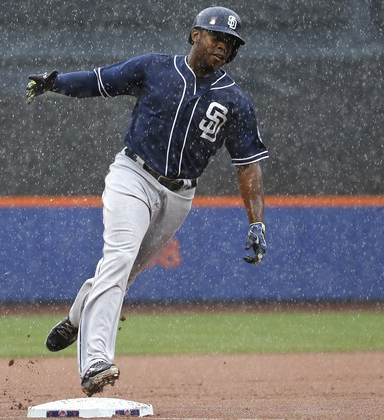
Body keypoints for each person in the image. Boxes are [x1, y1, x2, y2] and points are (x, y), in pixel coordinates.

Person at [26, 6, 268, 396]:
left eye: (230, 43)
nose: (222, 47)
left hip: (180, 196)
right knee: (119, 258)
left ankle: (76, 317)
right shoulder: (155, 68)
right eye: (215, 37)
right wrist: (56, 82)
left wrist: (256, 220)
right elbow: (99, 81)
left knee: (126, 272)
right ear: (195, 35)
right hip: (133, 175)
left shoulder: (235, 100)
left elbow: (248, 166)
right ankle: (95, 363)